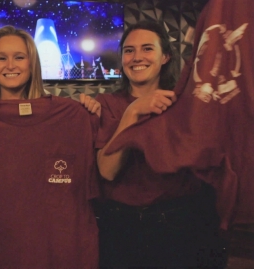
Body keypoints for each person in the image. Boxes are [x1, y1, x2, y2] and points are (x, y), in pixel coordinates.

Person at [0, 25, 100, 268]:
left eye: (19, 57)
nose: (10, 65)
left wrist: (90, 118)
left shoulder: (72, 118)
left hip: (52, 253)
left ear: (32, 63)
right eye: (1, 58)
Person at [91, 20, 227, 268]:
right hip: (122, 227)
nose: (136, 57)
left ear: (165, 56)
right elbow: (107, 171)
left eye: (147, 49)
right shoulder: (107, 103)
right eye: (129, 51)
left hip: (180, 224)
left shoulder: (185, 102)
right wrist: (133, 112)